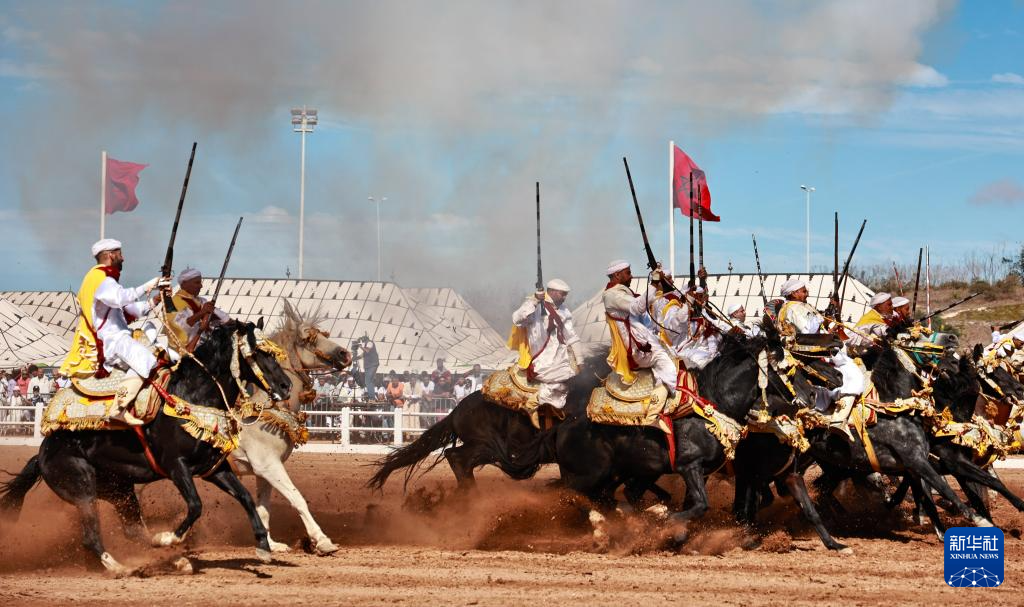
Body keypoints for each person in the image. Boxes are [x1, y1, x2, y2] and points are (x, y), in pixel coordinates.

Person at [59, 238, 166, 426]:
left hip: (120, 337)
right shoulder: (100, 278)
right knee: (147, 359)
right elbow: (120, 298)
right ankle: (118, 409)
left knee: (163, 353)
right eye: (120, 254)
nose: (123, 258)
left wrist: (155, 300)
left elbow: (130, 309)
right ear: (110, 255)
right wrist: (148, 285)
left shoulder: (104, 279)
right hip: (113, 341)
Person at [775, 278, 865, 440]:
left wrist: (828, 317)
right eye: (803, 290)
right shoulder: (793, 308)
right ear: (794, 293)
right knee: (852, 373)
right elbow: (807, 330)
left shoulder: (797, 306)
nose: (807, 293)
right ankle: (839, 419)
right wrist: (823, 317)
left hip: (812, 349)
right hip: (808, 353)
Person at [602, 260, 677, 396]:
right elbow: (638, 307)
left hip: (642, 342)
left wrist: (658, 284)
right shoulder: (612, 294)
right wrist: (654, 281)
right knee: (666, 364)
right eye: (628, 273)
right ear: (617, 275)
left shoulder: (622, 293)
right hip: (636, 349)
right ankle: (660, 404)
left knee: (672, 354)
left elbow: (644, 304)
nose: (631, 276)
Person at [508, 278, 582, 412]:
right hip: (542, 359)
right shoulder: (534, 305)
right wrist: (535, 300)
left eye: (566, 294)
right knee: (562, 382)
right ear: (552, 291)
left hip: (561, 356)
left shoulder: (564, 311)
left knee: (577, 381)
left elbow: (571, 336)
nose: (565, 297)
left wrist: (580, 359)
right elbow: (517, 319)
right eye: (562, 294)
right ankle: (533, 403)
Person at [166, 267, 230, 349]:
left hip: (206, 347)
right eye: (197, 283)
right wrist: (202, 312)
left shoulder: (202, 301)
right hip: (183, 350)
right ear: (184, 284)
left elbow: (225, 319)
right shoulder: (174, 302)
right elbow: (181, 326)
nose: (201, 286)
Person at [353, 337, 379, 401]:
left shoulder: (370, 342)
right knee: (369, 381)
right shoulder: (366, 347)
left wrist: (360, 346)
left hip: (372, 365)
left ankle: (372, 398)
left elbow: (367, 350)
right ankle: (372, 397)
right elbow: (362, 355)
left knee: (368, 381)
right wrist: (354, 358)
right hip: (368, 366)